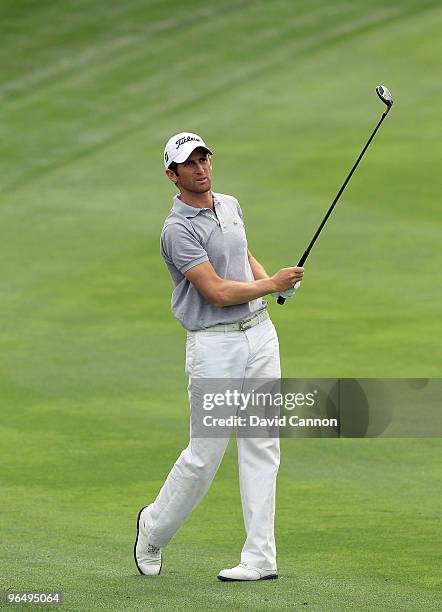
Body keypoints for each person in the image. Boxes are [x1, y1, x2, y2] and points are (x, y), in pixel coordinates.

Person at [134, 132, 304, 581]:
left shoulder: (228, 203)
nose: (200, 168)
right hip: (216, 346)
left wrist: (274, 281)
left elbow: (242, 257)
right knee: (204, 457)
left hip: (261, 335)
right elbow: (217, 291)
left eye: (204, 158)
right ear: (172, 175)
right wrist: (273, 284)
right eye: (189, 164)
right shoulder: (177, 230)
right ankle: (153, 528)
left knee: (263, 445)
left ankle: (260, 558)